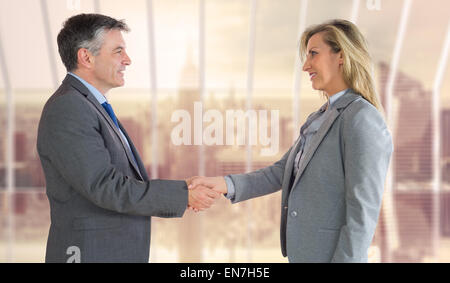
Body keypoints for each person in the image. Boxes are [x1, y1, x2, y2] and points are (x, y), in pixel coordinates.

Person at [189, 19, 393, 263]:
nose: (306, 66)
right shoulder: (319, 117)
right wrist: (223, 183)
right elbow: (281, 173)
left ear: (341, 56)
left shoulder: (362, 118)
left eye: (313, 54)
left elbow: (363, 210)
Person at [37, 13, 219, 263]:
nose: (128, 60)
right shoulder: (69, 107)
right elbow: (106, 187)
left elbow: (119, 180)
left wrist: (182, 189)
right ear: (86, 57)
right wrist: (181, 195)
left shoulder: (90, 106)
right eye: (118, 51)